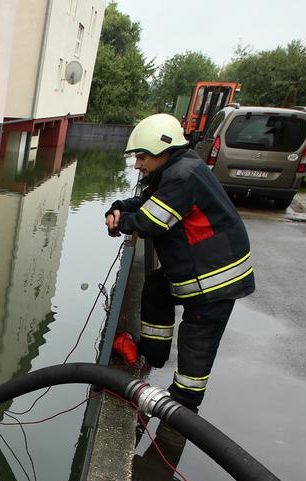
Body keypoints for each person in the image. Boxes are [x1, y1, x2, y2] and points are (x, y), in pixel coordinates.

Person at [105, 114, 255, 410]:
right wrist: (119, 207)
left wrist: (121, 223)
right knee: (157, 287)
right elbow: (148, 203)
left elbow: (151, 221)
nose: (137, 165)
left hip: (215, 280)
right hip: (200, 268)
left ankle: (183, 406)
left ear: (163, 150)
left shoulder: (182, 176)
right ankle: (153, 352)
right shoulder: (176, 170)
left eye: (142, 156)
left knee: (196, 340)